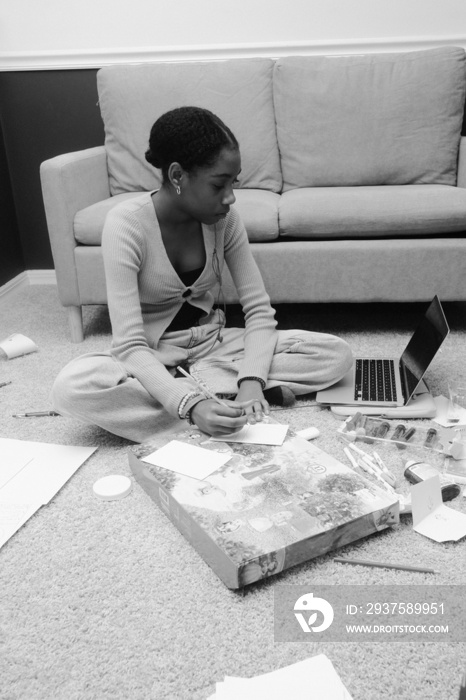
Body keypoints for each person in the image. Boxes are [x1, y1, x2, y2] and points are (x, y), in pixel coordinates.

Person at [51, 106, 353, 443]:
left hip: (215, 344)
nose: (230, 197)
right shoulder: (126, 225)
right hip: (153, 351)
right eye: (218, 185)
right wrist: (190, 405)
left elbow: (258, 312)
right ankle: (199, 406)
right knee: (72, 387)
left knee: (334, 354)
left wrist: (251, 381)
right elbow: (130, 346)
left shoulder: (226, 220)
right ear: (178, 176)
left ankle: (204, 395)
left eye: (233, 183)